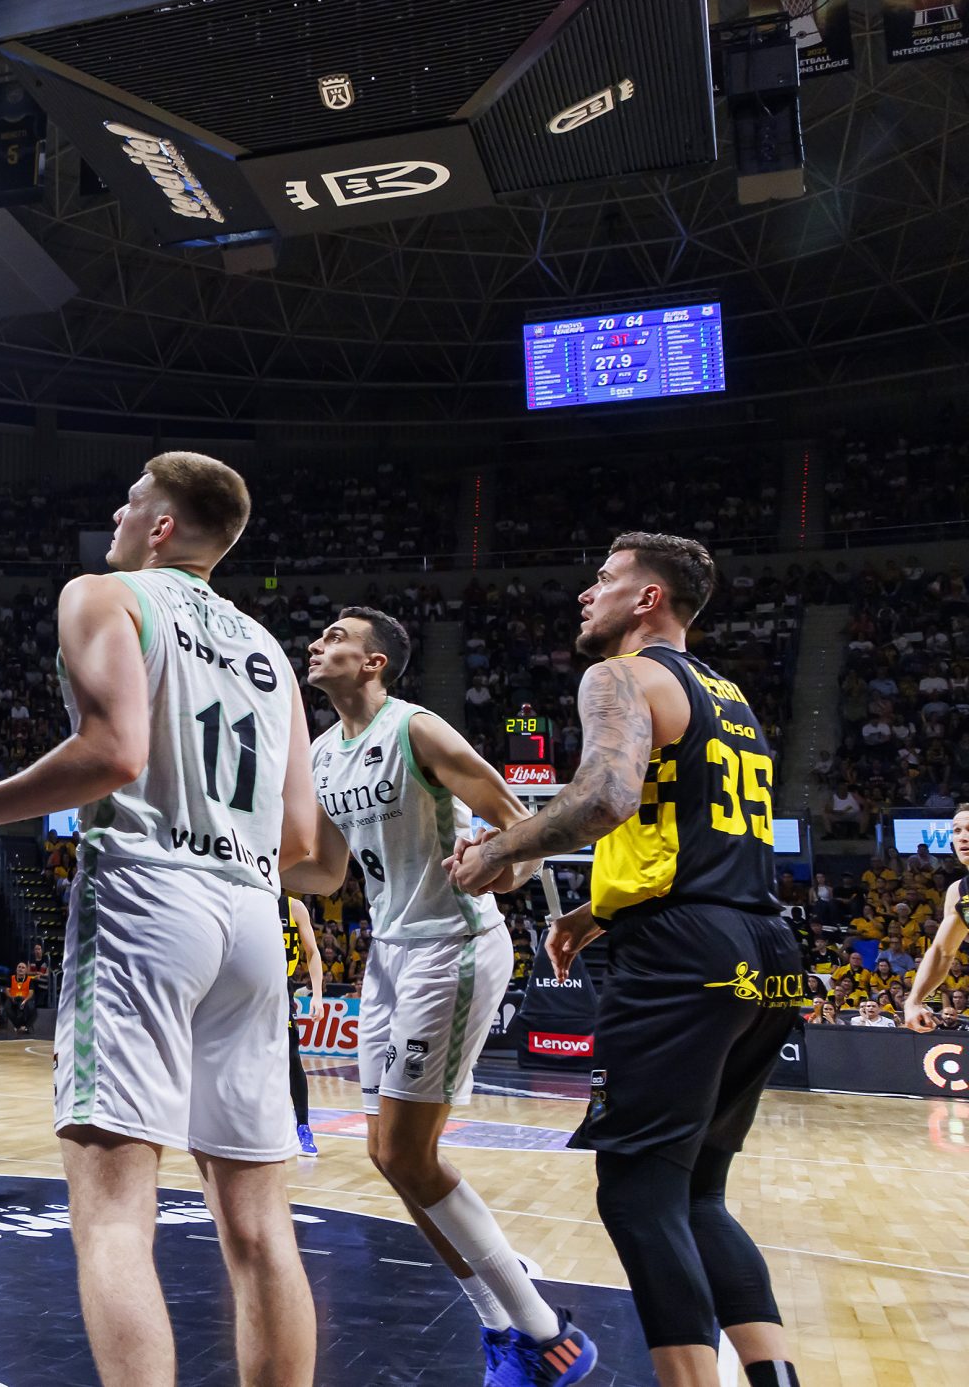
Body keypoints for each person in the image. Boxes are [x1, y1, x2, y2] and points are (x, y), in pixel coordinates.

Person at [0, 453, 327, 1387]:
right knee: (260, 1227)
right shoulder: (271, 652)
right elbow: (300, 839)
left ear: (161, 526)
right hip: (254, 913)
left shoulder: (106, 594)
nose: (115, 519)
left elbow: (116, 751)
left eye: (129, 503)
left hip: (148, 897)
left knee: (117, 1216)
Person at [449, 534, 801, 1387]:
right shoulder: (729, 695)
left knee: (637, 1193)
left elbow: (603, 797)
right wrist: (596, 911)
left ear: (648, 598)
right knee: (698, 1194)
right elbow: (692, 837)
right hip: (768, 949)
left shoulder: (621, 675)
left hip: (684, 956)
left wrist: (497, 850)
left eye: (604, 579)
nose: (586, 592)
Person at [306, 605, 594, 1384]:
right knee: (388, 1157)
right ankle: (503, 1323)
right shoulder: (322, 753)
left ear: (375, 662)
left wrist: (501, 864)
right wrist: (234, 860)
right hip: (389, 955)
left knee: (408, 1152)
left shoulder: (417, 729)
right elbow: (326, 873)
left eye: (337, 637)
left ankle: (549, 1338)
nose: (318, 643)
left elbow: (525, 829)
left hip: (455, 946)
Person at [901, 813, 969, 1030]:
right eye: (957, 830)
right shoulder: (959, 891)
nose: (963, 837)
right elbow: (942, 952)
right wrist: (914, 1001)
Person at [281, 895, 322, 1159]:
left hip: (280, 987)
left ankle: (303, 1127)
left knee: (292, 1057)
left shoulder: (293, 907)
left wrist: (317, 995)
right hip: (247, 988)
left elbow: (312, 951)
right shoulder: (244, 898)